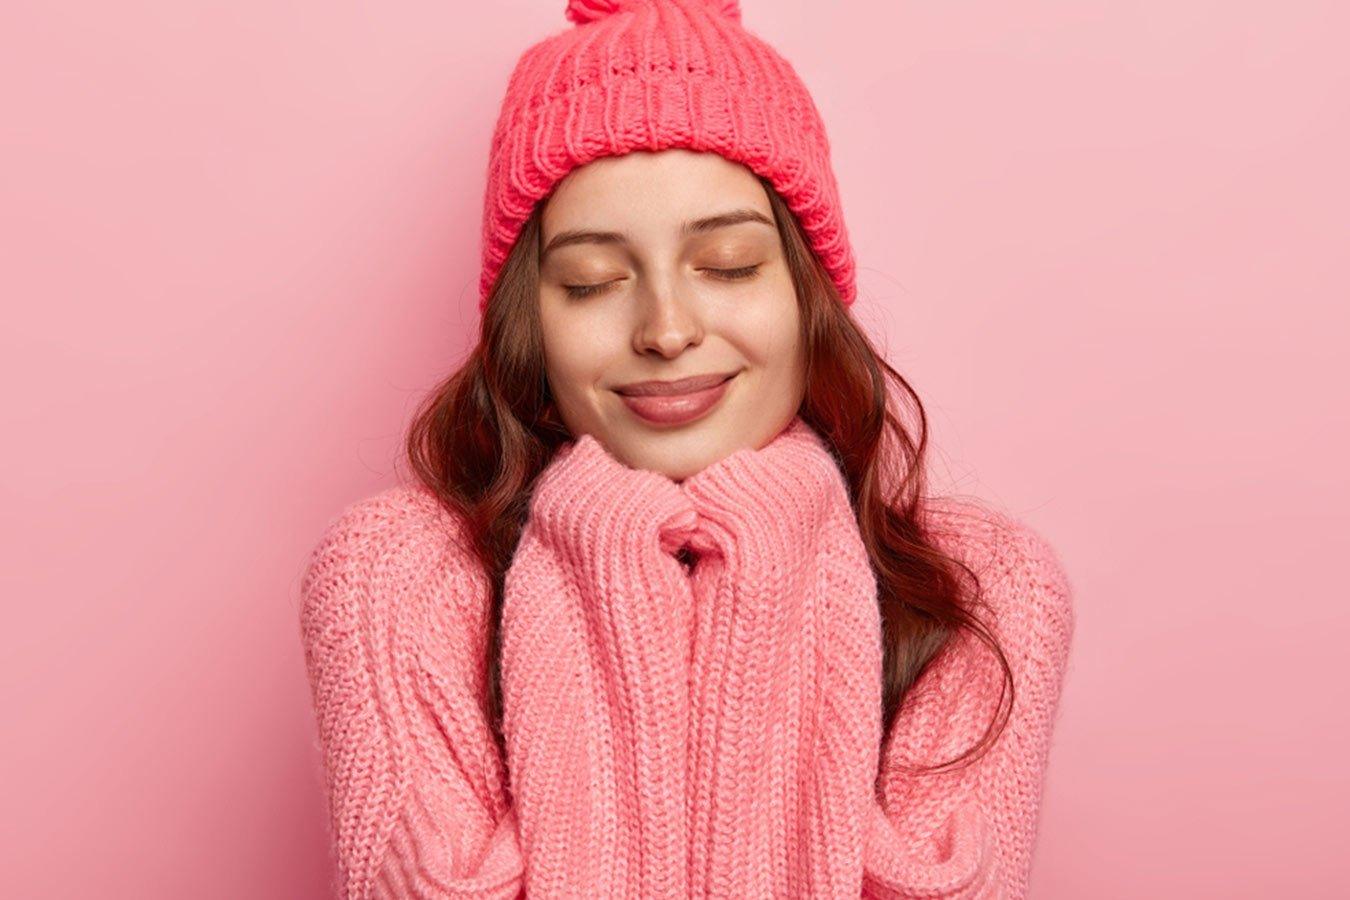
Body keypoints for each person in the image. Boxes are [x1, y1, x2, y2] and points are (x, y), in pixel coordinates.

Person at [297, 1, 1076, 897]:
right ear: (528, 322)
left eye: (729, 264)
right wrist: (608, 553)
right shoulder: (399, 576)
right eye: (592, 281)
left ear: (807, 293)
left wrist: (767, 548)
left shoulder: (984, 587)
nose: (666, 331)